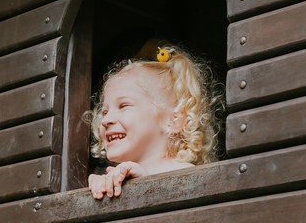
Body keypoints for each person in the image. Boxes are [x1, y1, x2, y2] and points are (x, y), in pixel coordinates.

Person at [87, 44, 219, 199]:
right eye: (104, 111)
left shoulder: (184, 171)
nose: (106, 120)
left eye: (124, 106)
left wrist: (147, 182)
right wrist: (101, 189)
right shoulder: (114, 175)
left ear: (173, 120)